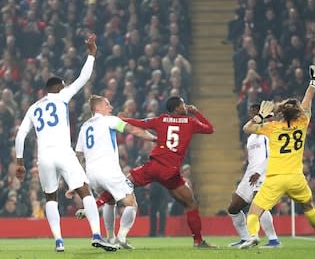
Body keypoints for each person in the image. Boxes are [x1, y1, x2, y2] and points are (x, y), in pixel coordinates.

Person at [14, 34, 117, 252]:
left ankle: (59, 241)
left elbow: (21, 134)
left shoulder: (33, 108)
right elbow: (84, 77)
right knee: (84, 191)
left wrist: (20, 162)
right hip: (63, 152)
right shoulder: (62, 96)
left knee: (51, 198)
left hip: (44, 157)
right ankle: (96, 235)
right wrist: (91, 54)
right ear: (60, 87)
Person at [78, 96, 217, 248]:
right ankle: (198, 241)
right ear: (177, 108)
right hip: (170, 171)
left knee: (125, 182)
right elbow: (210, 129)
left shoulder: (161, 120)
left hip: (153, 166)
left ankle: (95, 206)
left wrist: (125, 119)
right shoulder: (191, 122)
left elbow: (140, 123)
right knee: (190, 203)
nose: (186, 106)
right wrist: (196, 112)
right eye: (183, 104)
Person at [239, 65, 315, 249]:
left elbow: (246, 128)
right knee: (308, 207)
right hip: (296, 177)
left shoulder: (272, 127)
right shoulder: (303, 122)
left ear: (281, 112)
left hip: (275, 178)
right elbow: (308, 99)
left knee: (255, 210)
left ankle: (253, 235)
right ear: (298, 112)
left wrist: (261, 116)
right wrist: (314, 81)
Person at [75, 95, 157, 249]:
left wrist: (76, 180)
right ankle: (122, 237)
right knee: (131, 203)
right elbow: (133, 130)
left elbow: (78, 154)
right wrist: (154, 139)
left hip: (91, 173)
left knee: (110, 201)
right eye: (107, 105)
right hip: (108, 170)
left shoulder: (84, 127)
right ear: (98, 108)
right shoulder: (109, 120)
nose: (111, 108)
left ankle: (110, 237)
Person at [227, 103, 280, 248]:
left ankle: (273, 240)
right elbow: (253, 159)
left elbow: (272, 156)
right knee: (233, 207)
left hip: (264, 173)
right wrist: (250, 172)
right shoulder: (251, 137)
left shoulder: (268, 133)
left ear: (262, 113)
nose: (252, 114)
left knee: (259, 204)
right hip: (250, 174)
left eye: (255, 112)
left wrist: (259, 172)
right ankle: (245, 238)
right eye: (251, 112)